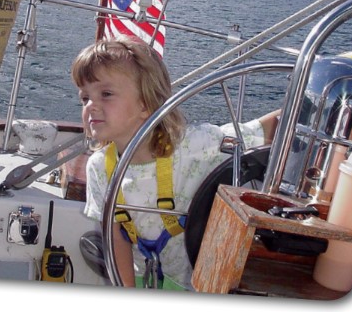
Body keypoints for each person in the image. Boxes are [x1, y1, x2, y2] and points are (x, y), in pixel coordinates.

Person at [71, 37, 279, 291]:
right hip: (146, 281)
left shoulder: (196, 145)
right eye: (85, 98)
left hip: (201, 283)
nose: (91, 106)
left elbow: (264, 130)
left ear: (146, 103)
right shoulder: (99, 168)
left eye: (106, 94)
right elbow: (116, 238)